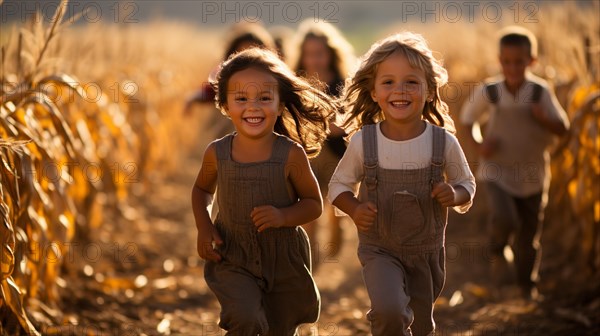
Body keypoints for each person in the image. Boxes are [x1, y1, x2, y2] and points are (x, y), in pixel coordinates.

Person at [328, 32, 476, 336]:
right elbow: (337, 187)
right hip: (379, 249)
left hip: (427, 252)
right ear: (373, 92)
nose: (400, 90)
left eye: (411, 81)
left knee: (421, 325)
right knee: (389, 312)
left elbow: (467, 183)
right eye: (388, 82)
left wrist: (455, 192)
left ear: (430, 91)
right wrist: (354, 208)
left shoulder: (442, 142)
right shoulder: (363, 142)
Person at [192, 47, 338, 335]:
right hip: (233, 255)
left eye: (264, 98)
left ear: (280, 103)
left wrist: (283, 216)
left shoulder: (290, 155)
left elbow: (313, 203)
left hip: (283, 260)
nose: (253, 107)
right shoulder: (217, 153)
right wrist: (204, 226)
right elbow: (201, 190)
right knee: (245, 318)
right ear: (225, 105)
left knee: (279, 328)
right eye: (241, 98)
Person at [460, 26, 569, 300]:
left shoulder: (539, 92)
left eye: (519, 62)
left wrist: (543, 118)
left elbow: (563, 128)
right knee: (506, 218)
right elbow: (467, 119)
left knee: (528, 237)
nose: (512, 67)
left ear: (531, 61)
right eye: (506, 62)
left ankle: (525, 287)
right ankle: (497, 248)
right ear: (499, 61)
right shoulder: (491, 91)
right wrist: (479, 145)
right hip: (497, 172)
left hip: (533, 175)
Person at [291, 19, 356, 266]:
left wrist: (330, 127)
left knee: (334, 207)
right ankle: (310, 264)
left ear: (330, 54)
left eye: (319, 53)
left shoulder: (342, 83)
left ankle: (337, 232)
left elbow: (348, 123)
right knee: (309, 208)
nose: (314, 60)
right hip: (306, 155)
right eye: (309, 54)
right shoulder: (295, 83)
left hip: (337, 155)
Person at [184, 22, 277, 138]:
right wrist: (194, 98)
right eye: (242, 54)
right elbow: (211, 89)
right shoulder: (224, 73)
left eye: (251, 54)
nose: (247, 60)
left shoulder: (273, 75)